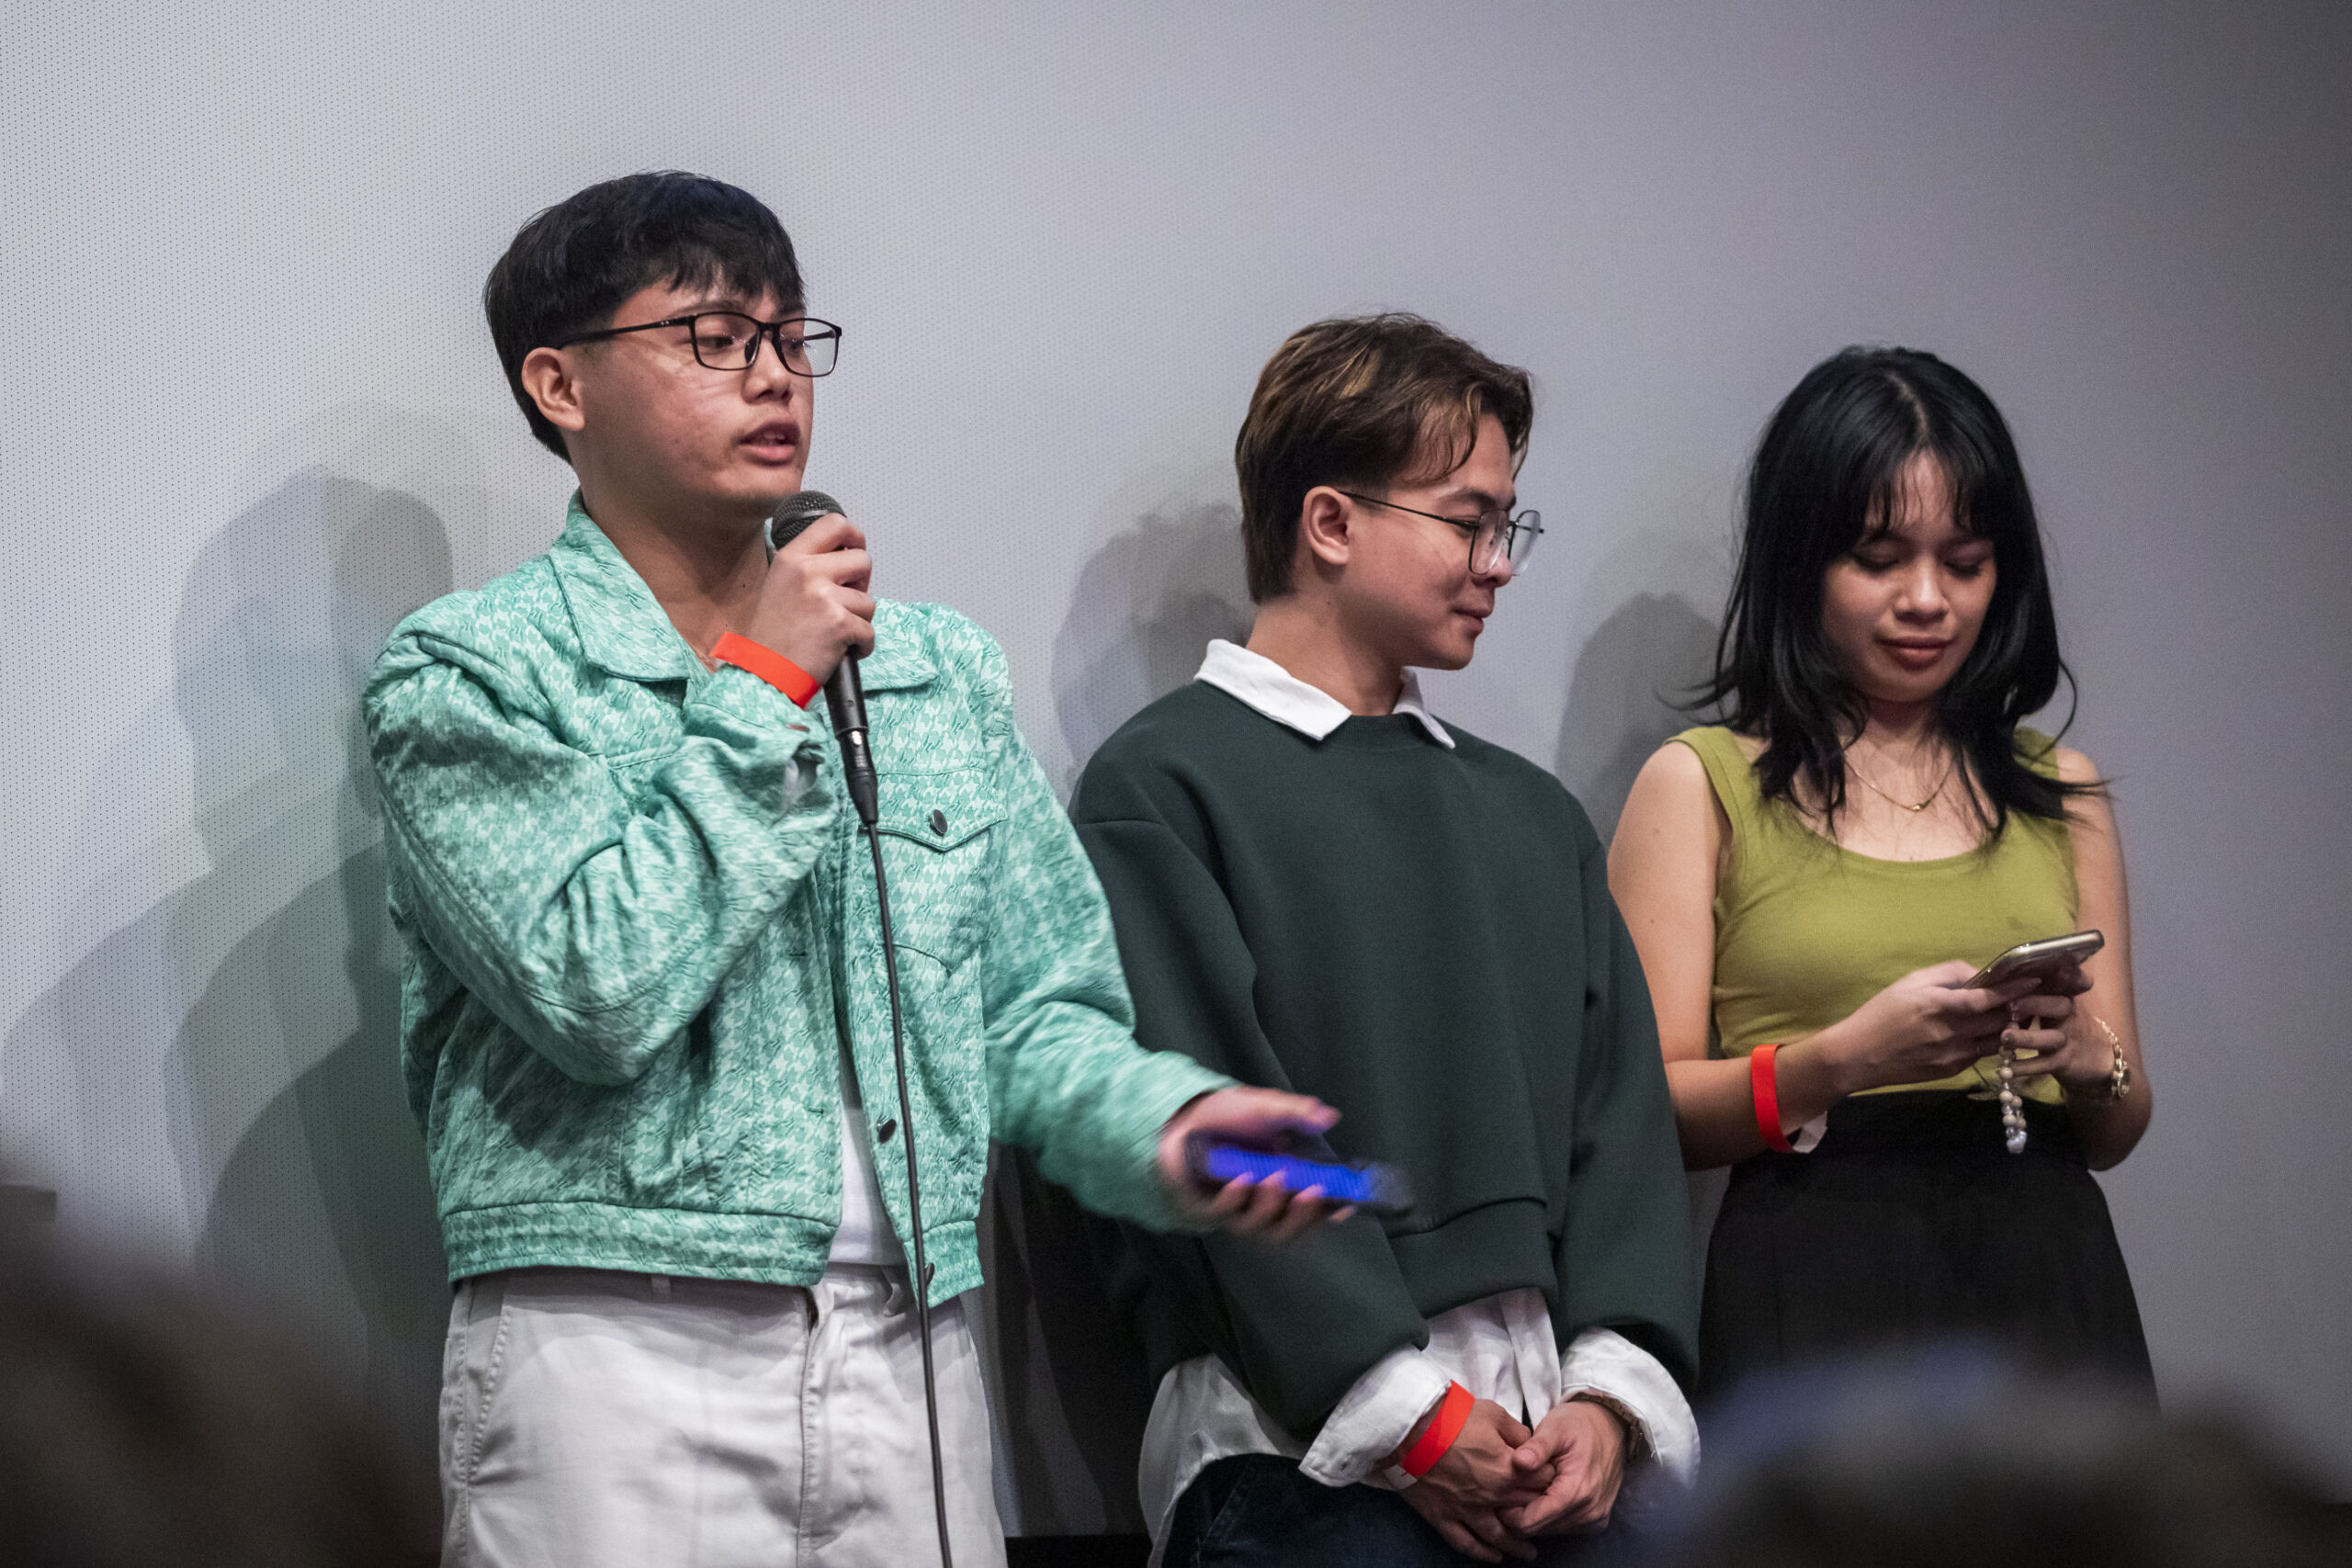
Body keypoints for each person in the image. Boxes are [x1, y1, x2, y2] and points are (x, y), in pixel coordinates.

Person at [364, 171, 1340, 1568]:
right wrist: (762, 685)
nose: (773, 375)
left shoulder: (928, 667)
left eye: (789, 336)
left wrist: (1166, 1126)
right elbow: (594, 985)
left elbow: (1030, 1011)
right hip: (617, 1343)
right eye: (714, 338)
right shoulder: (475, 670)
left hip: (912, 1346)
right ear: (558, 384)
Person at [1071, 313, 1701, 1566]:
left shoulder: (1532, 817)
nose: (1498, 564)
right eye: (1468, 521)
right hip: (1290, 1457)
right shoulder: (1163, 788)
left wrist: (1611, 1394)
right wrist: (1407, 1414)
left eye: (1506, 526)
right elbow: (1200, 1124)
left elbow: (1618, 1124)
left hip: (1553, 1454)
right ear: (1330, 522)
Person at [1607, 346, 2155, 1405]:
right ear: (1800, 562)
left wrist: (2092, 1060)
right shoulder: (1701, 783)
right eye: (1878, 558)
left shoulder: (2061, 787)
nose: (1927, 601)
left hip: (2044, 1272)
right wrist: (1843, 1060)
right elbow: (1647, 1113)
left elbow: (2117, 1130)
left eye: (1965, 562)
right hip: (1814, 1267)